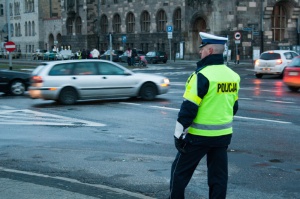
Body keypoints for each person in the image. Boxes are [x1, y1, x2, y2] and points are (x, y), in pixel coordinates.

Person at [169, 32, 240, 199]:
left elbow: (188, 108)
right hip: (223, 136)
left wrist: (178, 134)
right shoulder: (233, 76)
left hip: (198, 137)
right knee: (218, 177)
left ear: (209, 51)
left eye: (201, 49)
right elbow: (234, 107)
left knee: (179, 173)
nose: (199, 52)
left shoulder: (201, 75)